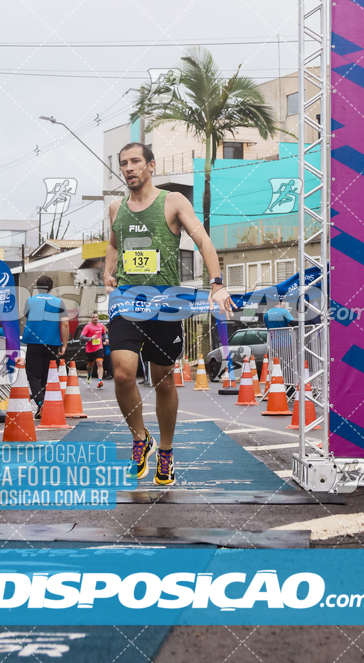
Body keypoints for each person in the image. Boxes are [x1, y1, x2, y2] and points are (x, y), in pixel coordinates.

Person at [104, 141, 236, 487]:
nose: (129, 168)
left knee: (163, 378)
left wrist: (217, 283)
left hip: (165, 303)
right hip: (127, 301)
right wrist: (108, 269)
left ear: (151, 165)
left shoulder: (173, 201)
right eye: (123, 163)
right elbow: (115, 244)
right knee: (122, 373)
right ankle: (138, 437)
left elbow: (203, 240)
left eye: (135, 161)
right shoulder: (116, 208)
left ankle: (164, 449)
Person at [22, 275, 69, 419]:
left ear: (37, 286)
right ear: (51, 288)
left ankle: (41, 403)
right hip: (52, 344)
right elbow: (65, 324)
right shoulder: (59, 302)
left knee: (33, 375)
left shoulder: (30, 300)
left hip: (34, 343)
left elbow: (25, 316)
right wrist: (64, 345)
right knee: (46, 377)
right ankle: (42, 407)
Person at [81, 311, 108, 388]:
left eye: (96, 317)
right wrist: (90, 338)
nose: (95, 319)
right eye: (94, 317)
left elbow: (104, 333)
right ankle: (89, 374)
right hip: (90, 349)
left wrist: (106, 339)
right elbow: (81, 337)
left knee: (100, 363)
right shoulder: (87, 327)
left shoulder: (101, 326)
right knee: (90, 365)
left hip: (99, 348)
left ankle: (100, 381)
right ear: (91, 318)